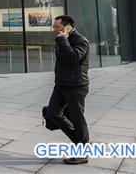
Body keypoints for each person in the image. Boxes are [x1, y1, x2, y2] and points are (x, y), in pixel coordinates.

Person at [43, 15, 90, 165]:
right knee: (52, 113)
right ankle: (79, 141)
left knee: (77, 118)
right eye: (54, 27)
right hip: (61, 84)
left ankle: (82, 151)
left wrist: (63, 40)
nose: (55, 30)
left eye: (57, 27)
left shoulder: (81, 41)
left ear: (68, 26)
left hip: (76, 86)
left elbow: (74, 57)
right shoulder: (62, 40)